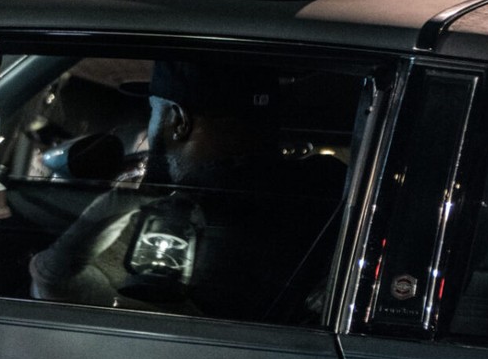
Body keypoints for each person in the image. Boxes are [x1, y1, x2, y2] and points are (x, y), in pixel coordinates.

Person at [29, 60, 341, 322]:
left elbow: (54, 283)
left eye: (153, 116)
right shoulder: (333, 195)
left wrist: (115, 205)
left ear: (179, 121)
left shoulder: (153, 222)